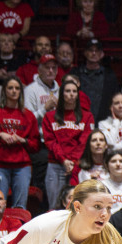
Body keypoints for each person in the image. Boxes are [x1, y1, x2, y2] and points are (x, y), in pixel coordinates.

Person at [43, 76, 95, 209]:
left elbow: (84, 142)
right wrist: (63, 160)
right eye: (67, 91)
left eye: (74, 91)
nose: (71, 94)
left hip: (77, 165)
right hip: (55, 164)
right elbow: (50, 142)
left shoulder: (87, 116)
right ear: (61, 94)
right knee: (54, 206)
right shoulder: (50, 116)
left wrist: (71, 161)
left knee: (77, 206)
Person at [0, 76, 39, 209]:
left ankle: (18, 229)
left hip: (22, 166)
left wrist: (23, 140)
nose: (14, 91)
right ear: (4, 91)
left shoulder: (28, 115)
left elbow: (35, 145)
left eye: (17, 88)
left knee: (20, 207)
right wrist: (0, 135)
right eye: (10, 88)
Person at [74, 40, 121, 122]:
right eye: (91, 50)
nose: (94, 53)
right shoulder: (75, 73)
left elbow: (115, 99)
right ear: (85, 53)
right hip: (79, 121)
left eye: (97, 50)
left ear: (102, 54)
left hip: (103, 122)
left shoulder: (110, 75)